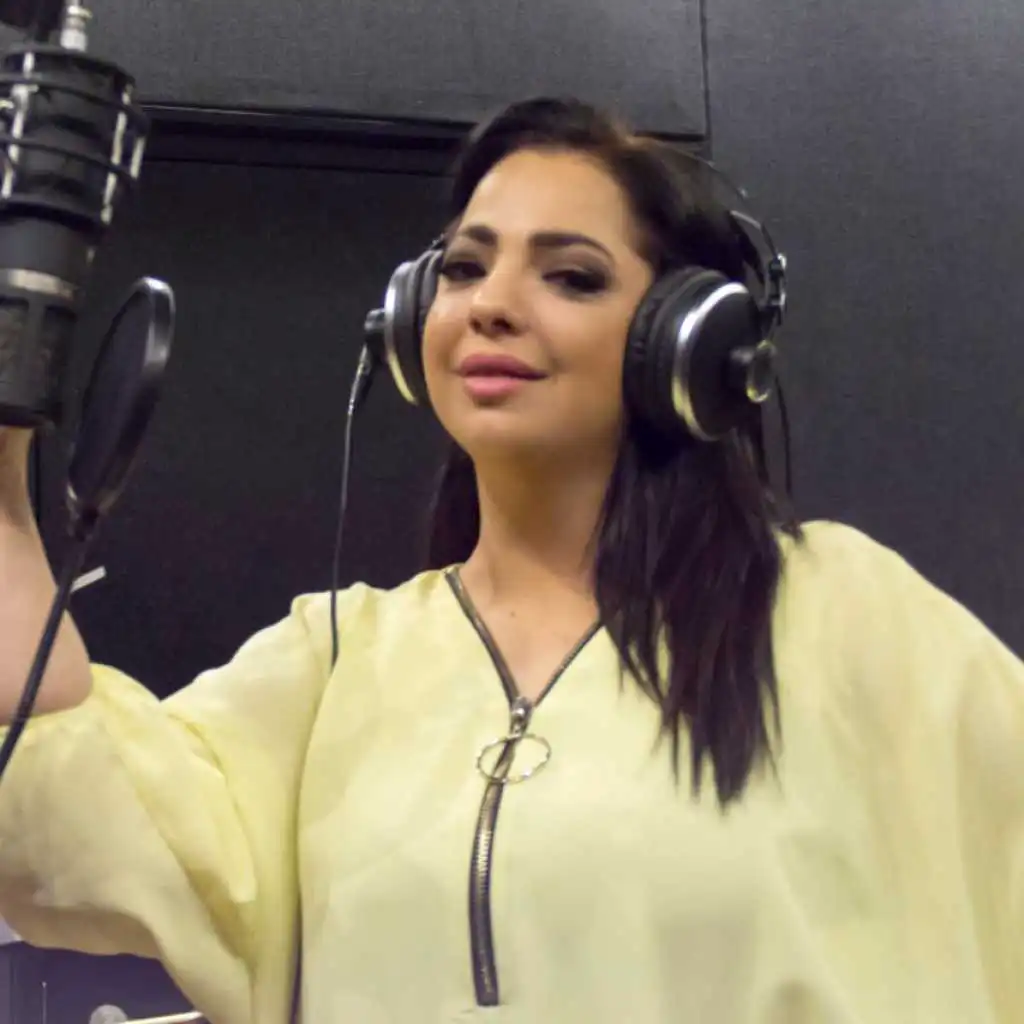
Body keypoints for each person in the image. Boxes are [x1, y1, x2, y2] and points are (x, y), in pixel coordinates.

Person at [0, 96, 1021, 1024]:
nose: (491, 303)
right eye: (463, 268)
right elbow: (69, 805)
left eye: (570, 275)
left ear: (690, 341)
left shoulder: (841, 615)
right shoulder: (337, 659)